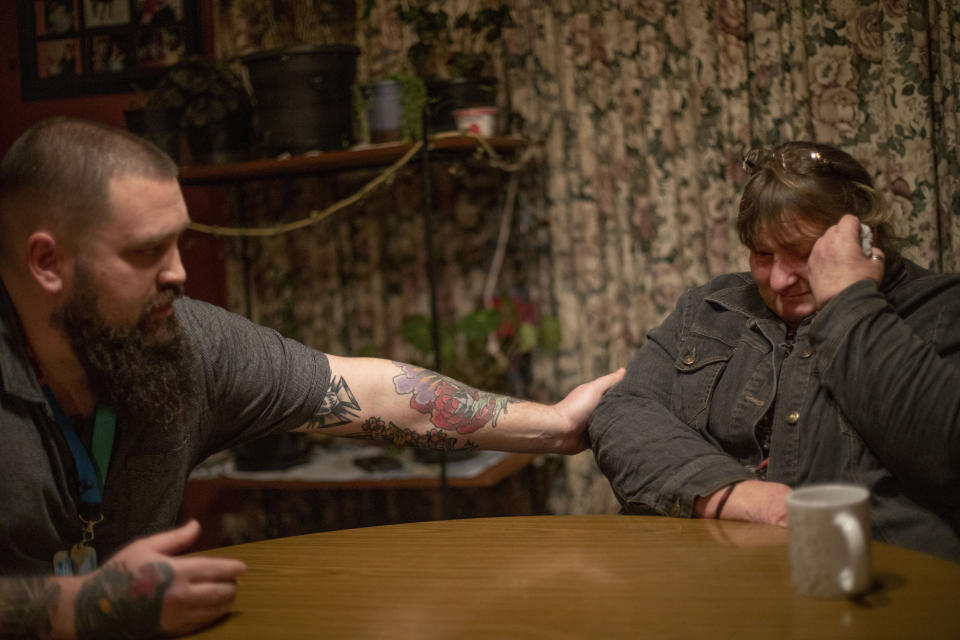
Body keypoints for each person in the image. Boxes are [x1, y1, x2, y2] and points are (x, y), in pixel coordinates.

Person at [0, 117, 625, 638]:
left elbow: (369, 393)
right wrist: (77, 609)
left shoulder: (182, 338)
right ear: (47, 261)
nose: (179, 274)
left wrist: (556, 425)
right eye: (145, 253)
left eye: (180, 244)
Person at [589, 141, 960, 563]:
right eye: (763, 254)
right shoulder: (707, 309)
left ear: (861, 237)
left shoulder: (942, 311)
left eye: (803, 252)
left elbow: (946, 450)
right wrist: (741, 498)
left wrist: (849, 302)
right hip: (705, 578)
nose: (781, 280)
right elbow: (622, 413)